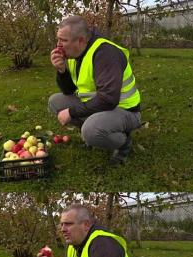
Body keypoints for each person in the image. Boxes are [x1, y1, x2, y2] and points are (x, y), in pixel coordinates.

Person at [48, 15, 142, 165]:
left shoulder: (105, 54)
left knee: (91, 130)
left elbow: (108, 99)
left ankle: (123, 143)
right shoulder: (76, 53)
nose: (58, 45)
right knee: (55, 102)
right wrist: (61, 70)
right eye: (58, 39)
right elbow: (68, 90)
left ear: (80, 41)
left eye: (63, 40)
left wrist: (72, 112)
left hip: (125, 110)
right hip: (101, 106)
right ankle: (94, 132)